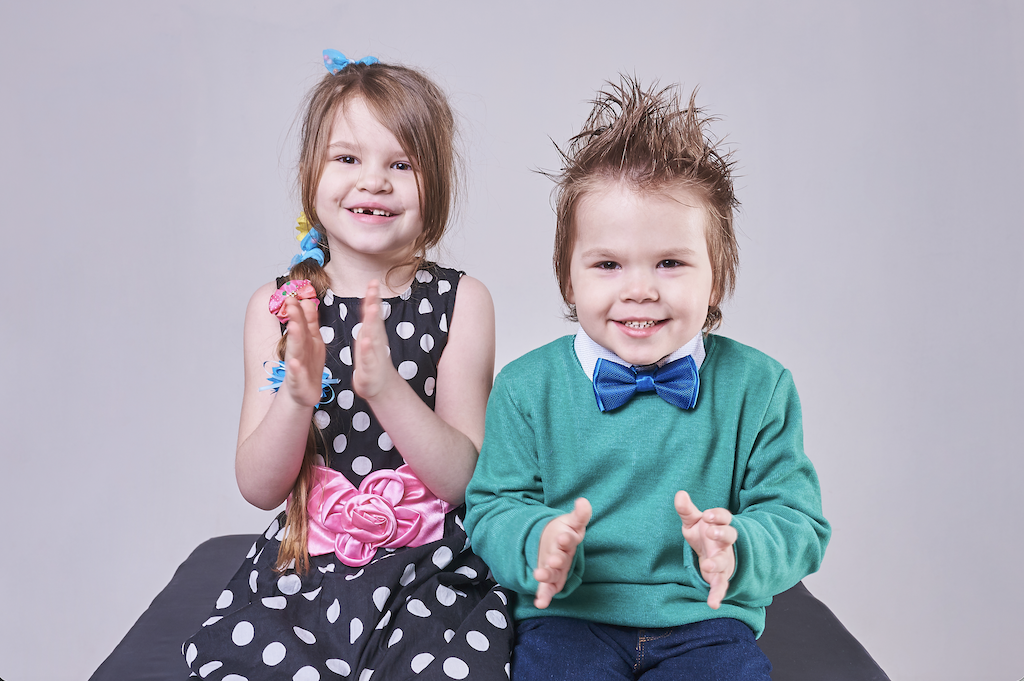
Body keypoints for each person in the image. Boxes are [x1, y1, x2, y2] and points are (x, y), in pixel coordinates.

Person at [464, 77, 831, 680]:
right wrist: (537, 543)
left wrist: (736, 547)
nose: (640, 289)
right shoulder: (527, 387)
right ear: (568, 280)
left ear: (717, 277)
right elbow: (492, 507)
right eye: (608, 264)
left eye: (670, 263)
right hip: (567, 618)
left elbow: (798, 520)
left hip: (709, 623)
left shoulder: (760, 387)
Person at [184, 50, 513, 681]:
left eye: (401, 164)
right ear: (312, 174)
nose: (374, 182)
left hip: (432, 570)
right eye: (348, 158)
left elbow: (465, 480)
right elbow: (258, 488)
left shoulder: (461, 302)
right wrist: (295, 399)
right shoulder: (279, 307)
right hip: (304, 567)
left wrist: (387, 390)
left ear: (435, 184)